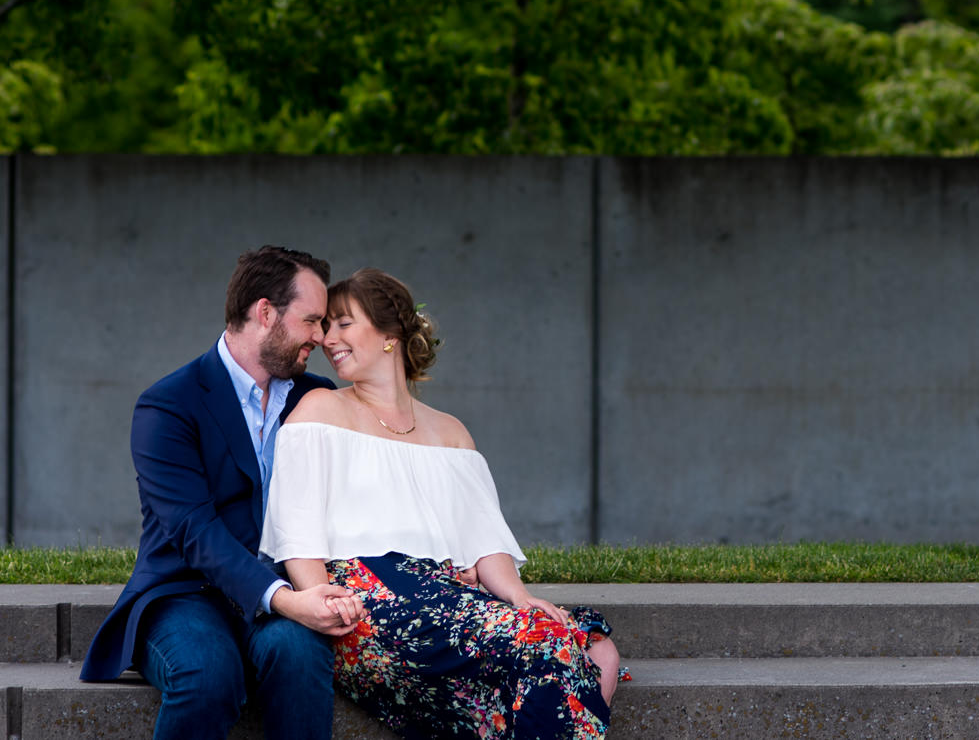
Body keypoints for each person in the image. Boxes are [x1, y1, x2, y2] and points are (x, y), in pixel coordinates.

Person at [260, 267, 621, 739]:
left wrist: (518, 596)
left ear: (390, 335)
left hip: (441, 594)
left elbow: (484, 538)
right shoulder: (320, 411)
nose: (329, 339)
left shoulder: (451, 433)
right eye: (326, 326)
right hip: (363, 599)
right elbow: (297, 527)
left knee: (598, 650)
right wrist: (319, 598)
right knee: (546, 651)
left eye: (343, 323)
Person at [80, 245, 368, 740]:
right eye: (312, 321)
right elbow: (194, 531)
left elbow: (375, 479)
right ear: (264, 313)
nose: (321, 338)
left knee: (300, 655)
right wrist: (282, 599)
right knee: (207, 675)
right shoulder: (169, 406)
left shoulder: (316, 399)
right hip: (183, 593)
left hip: (290, 587)